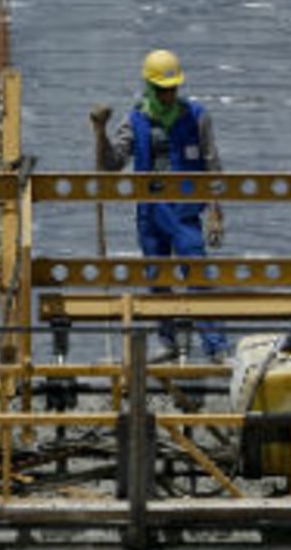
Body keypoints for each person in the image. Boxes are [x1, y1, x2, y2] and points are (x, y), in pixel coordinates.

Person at [95, 48, 229, 360]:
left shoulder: (197, 117)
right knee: (156, 278)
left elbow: (213, 165)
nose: (168, 95)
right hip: (151, 212)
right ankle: (168, 340)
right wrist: (100, 133)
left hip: (184, 211)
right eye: (162, 90)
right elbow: (112, 163)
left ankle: (217, 347)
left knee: (199, 277)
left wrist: (216, 210)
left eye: (172, 89)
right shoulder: (136, 119)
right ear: (150, 88)